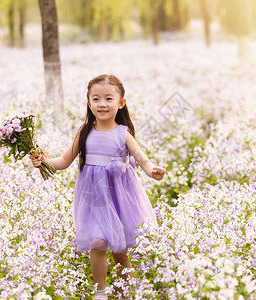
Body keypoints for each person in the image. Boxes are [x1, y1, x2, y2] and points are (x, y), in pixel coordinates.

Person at [29, 74, 166, 299]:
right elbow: (63, 161)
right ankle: (100, 292)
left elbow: (143, 160)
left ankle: (129, 291)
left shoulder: (123, 133)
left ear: (121, 103)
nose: (102, 104)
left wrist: (153, 171)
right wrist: (42, 161)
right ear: (89, 102)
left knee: (120, 250)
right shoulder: (84, 132)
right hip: (94, 198)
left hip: (119, 196)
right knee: (98, 242)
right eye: (96, 99)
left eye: (109, 99)